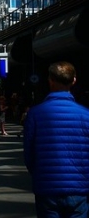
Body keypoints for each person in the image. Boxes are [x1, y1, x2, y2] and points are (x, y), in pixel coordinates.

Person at [24, 61, 89, 218]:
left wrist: (39, 174)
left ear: (50, 80)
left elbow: (29, 154)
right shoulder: (86, 115)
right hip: (79, 188)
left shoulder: (35, 114)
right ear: (74, 80)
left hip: (46, 189)